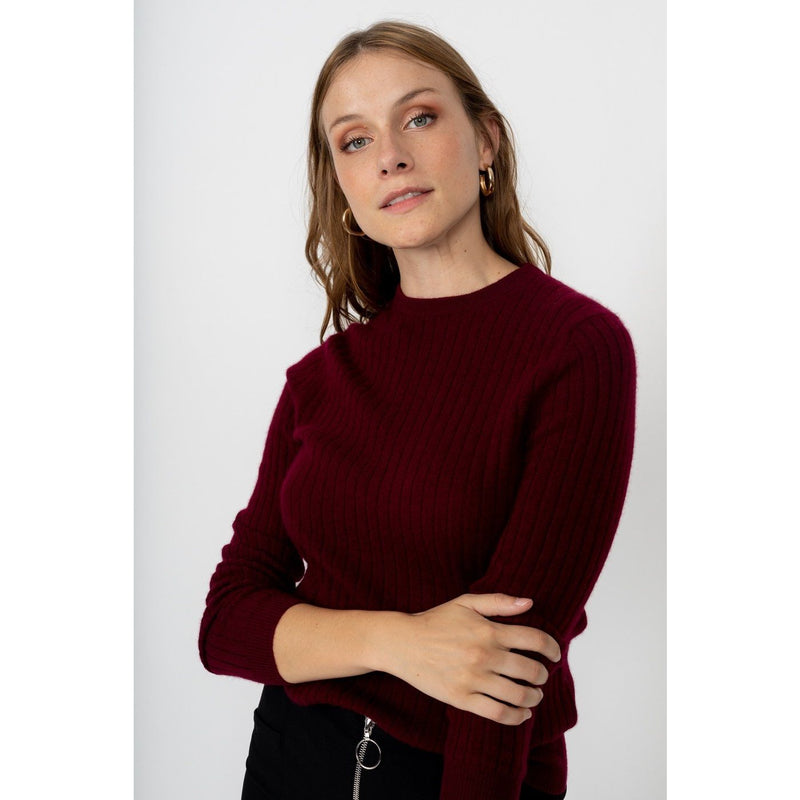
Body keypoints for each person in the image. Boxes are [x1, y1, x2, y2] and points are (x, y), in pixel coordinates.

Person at [199, 19, 637, 800]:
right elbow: (227, 623)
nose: (391, 155)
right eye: (355, 140)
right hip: (289, 760)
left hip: (466, 772)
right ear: (341, 184)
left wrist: (347, 640)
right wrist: (401, 643)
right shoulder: (320, 380)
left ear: (487, 141)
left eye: (420, 117)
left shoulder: (576, 348)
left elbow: (504, 669)